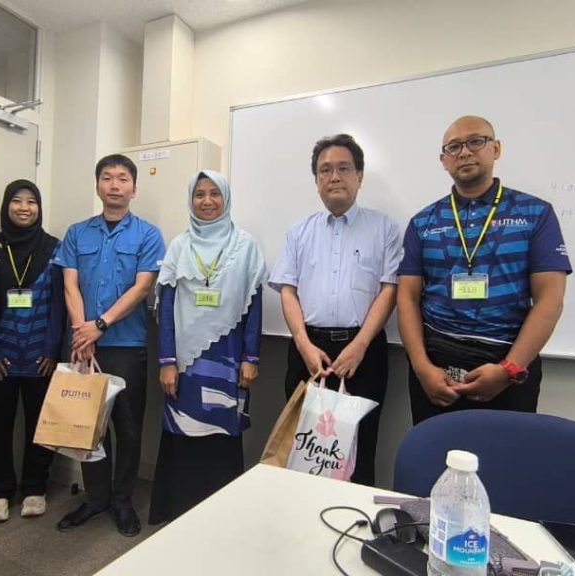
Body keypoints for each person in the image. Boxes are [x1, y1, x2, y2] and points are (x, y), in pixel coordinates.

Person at [396, 115, 571, 425]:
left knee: (504, 454)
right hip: (436, 365)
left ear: (496, 149)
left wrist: (508, 370)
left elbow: (550, 300)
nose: (464, 152)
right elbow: (407, 298)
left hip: (507, 360)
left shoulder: (535, 213)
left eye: (476, 142)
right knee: (434, 451)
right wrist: (422, 368)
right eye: (454, 147)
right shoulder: (423, 221)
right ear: (443, 160)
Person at [268, 134, 402, 487]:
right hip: (308, 350)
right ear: (316, 181)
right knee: (304, 448)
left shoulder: (384, 228)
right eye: (325, 170)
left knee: (360, 447)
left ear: (360, 175)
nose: (334, 176)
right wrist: (303, 344)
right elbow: (287, 291)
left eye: (344, 168)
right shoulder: (299, 231)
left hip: (364, 352)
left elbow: (389, 289)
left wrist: (360, 345)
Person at [55, 154, 165, 537]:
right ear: (98, 185)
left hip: (126, 345)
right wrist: (81, 331)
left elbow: (143, 287)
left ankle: (122, 500)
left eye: (122, 178)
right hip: (84, 344)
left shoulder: (148, 235)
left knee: (128, 428)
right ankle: (96, 497)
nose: (115, 185)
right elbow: (69, 285)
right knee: (87, 425)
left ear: (134, 188)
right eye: (107, 177)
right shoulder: (76, 233)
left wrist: (99, 325)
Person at [148, 170, 267, 524]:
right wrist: (167, 362)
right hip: (184, 363)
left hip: (227, 360)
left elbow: (254, 305)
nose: (207, 201)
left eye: (215, 193)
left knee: (222, 436)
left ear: (226, 198)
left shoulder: (245, 246)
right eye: (199, 194)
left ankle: (222, 517)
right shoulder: (179, 246)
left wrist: (251, 357)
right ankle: (180, 513)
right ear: (191, 200)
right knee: (183, 433)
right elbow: (166, 309)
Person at [0, 179, 65, 524]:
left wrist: (52, 349)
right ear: (6, 206)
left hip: (40, 356)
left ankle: (35, 488)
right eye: (17, 201)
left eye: (31, 202)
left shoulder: (54, 248)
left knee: (41, 426)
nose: (24, 208)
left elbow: (60, 305)